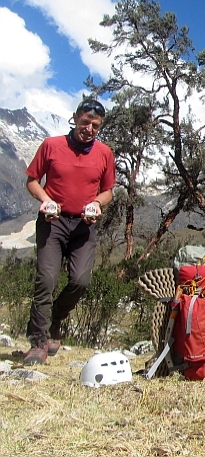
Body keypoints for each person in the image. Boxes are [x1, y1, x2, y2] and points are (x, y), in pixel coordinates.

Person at [23, 98, 116, 365]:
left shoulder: (104, 153)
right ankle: (38, 343)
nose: (89, 128)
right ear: (75, 117)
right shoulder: (51, 145)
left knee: (80, 281)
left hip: (83, 227)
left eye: (95, 125)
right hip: (53, 222)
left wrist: (97, 203)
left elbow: (108, 190)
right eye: (86, 122)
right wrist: (45, 200)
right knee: (47, 280)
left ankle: (55, 320)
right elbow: (32, 180)